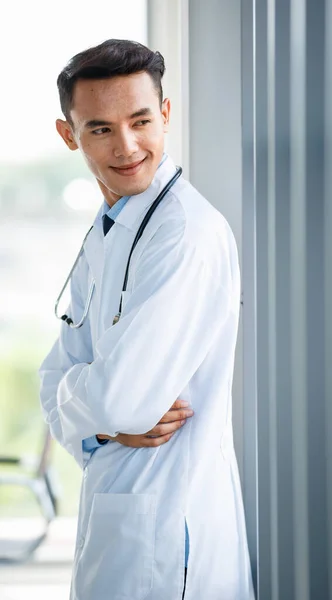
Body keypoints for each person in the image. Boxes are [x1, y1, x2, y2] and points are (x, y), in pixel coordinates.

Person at [39, 39, 254, 600]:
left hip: (169, 530)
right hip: (118, 518)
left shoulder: (183, 233)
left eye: (140, 120)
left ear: (164, 113)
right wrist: (100, 415)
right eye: (101, 128)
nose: (127, 146)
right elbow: (57, 383)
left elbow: (121, 400)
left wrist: (90, 405)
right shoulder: (106, 232)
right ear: (70, 135)